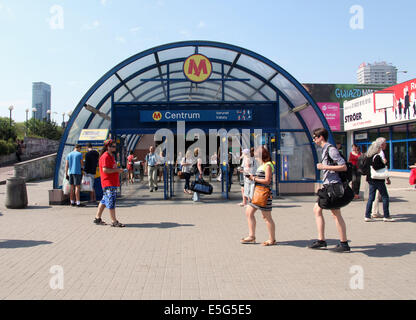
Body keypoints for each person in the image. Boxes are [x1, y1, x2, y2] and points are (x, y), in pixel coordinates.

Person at [308, 128, 350, 252]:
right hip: (328, 186)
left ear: (321, 137)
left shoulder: (331, 150)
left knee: (336, 214)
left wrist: (323, 167)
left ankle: (344, 243)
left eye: (315, 137)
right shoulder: (325, 150)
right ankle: (322, 240)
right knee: (318, 210)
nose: (314, 139)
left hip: (334, 186)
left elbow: (343, 166)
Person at [240, 146, 276, 246]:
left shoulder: (268, 165)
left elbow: (267, 181)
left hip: (264, 195)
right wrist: (250, 175)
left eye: (256, 156)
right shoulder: (262, 165)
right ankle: (251, 236)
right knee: (249, 212)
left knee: (266, 217)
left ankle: (272, 239)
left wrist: (254, 178)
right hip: (257, 193)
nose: (255, 157)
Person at [94, 139, 125, 227]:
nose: (115, 148)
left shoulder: (111, 156)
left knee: (104, 201)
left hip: (112, 183)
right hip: (108, 183)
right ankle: (114, 221)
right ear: (108, 147)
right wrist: (117, 170)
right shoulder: (105, 156)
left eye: (115, 146)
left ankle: (97, 218)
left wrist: (117, 170)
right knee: (111, 201)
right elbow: (105, 170)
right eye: (113, 146)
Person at [364, 140, 395, 222]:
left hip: (370, 179)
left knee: (371, 197)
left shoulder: (368, 156)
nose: (380, 149)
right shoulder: (376, 156)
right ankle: (386, 216)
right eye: (379, 148)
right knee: (385, 197)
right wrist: (383, 163)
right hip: (378, 179)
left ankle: (367, 215)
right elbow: (377, 167)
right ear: (377, 148)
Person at [371, 137, 391, 218]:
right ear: (382, 144)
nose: (386, 145)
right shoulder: (380, 153)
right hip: (378, 177)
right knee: (380, 195)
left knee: (374, 195)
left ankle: (374, 211)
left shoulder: (373, 151)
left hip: (373, 177)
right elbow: (382, 167)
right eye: (385, 143)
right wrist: (387, 178)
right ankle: (376, 212)